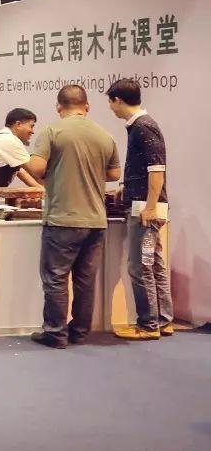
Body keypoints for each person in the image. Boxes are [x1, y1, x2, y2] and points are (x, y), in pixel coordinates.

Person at [24, 85, 120, 350]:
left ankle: (55, 334)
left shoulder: (52, 132)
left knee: (55, 278)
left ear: (59, 107)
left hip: (62, 218)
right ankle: (79, 332)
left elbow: (37, 167)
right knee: (85, 280)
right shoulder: (104, 135)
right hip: (96, 220)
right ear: (87, 106)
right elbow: (114, 174)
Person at [106, 78, 173, 341]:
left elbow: (157, 170)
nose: (111, 108)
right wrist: (126, 186)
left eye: (111, 103)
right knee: (153, 263)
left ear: (118, 100)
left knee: (140, 266)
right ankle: (163, 320)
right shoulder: (140, 126)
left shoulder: (143, 127)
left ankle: (148, 324)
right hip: (144, 206)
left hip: (144, 211)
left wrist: (150, 207)